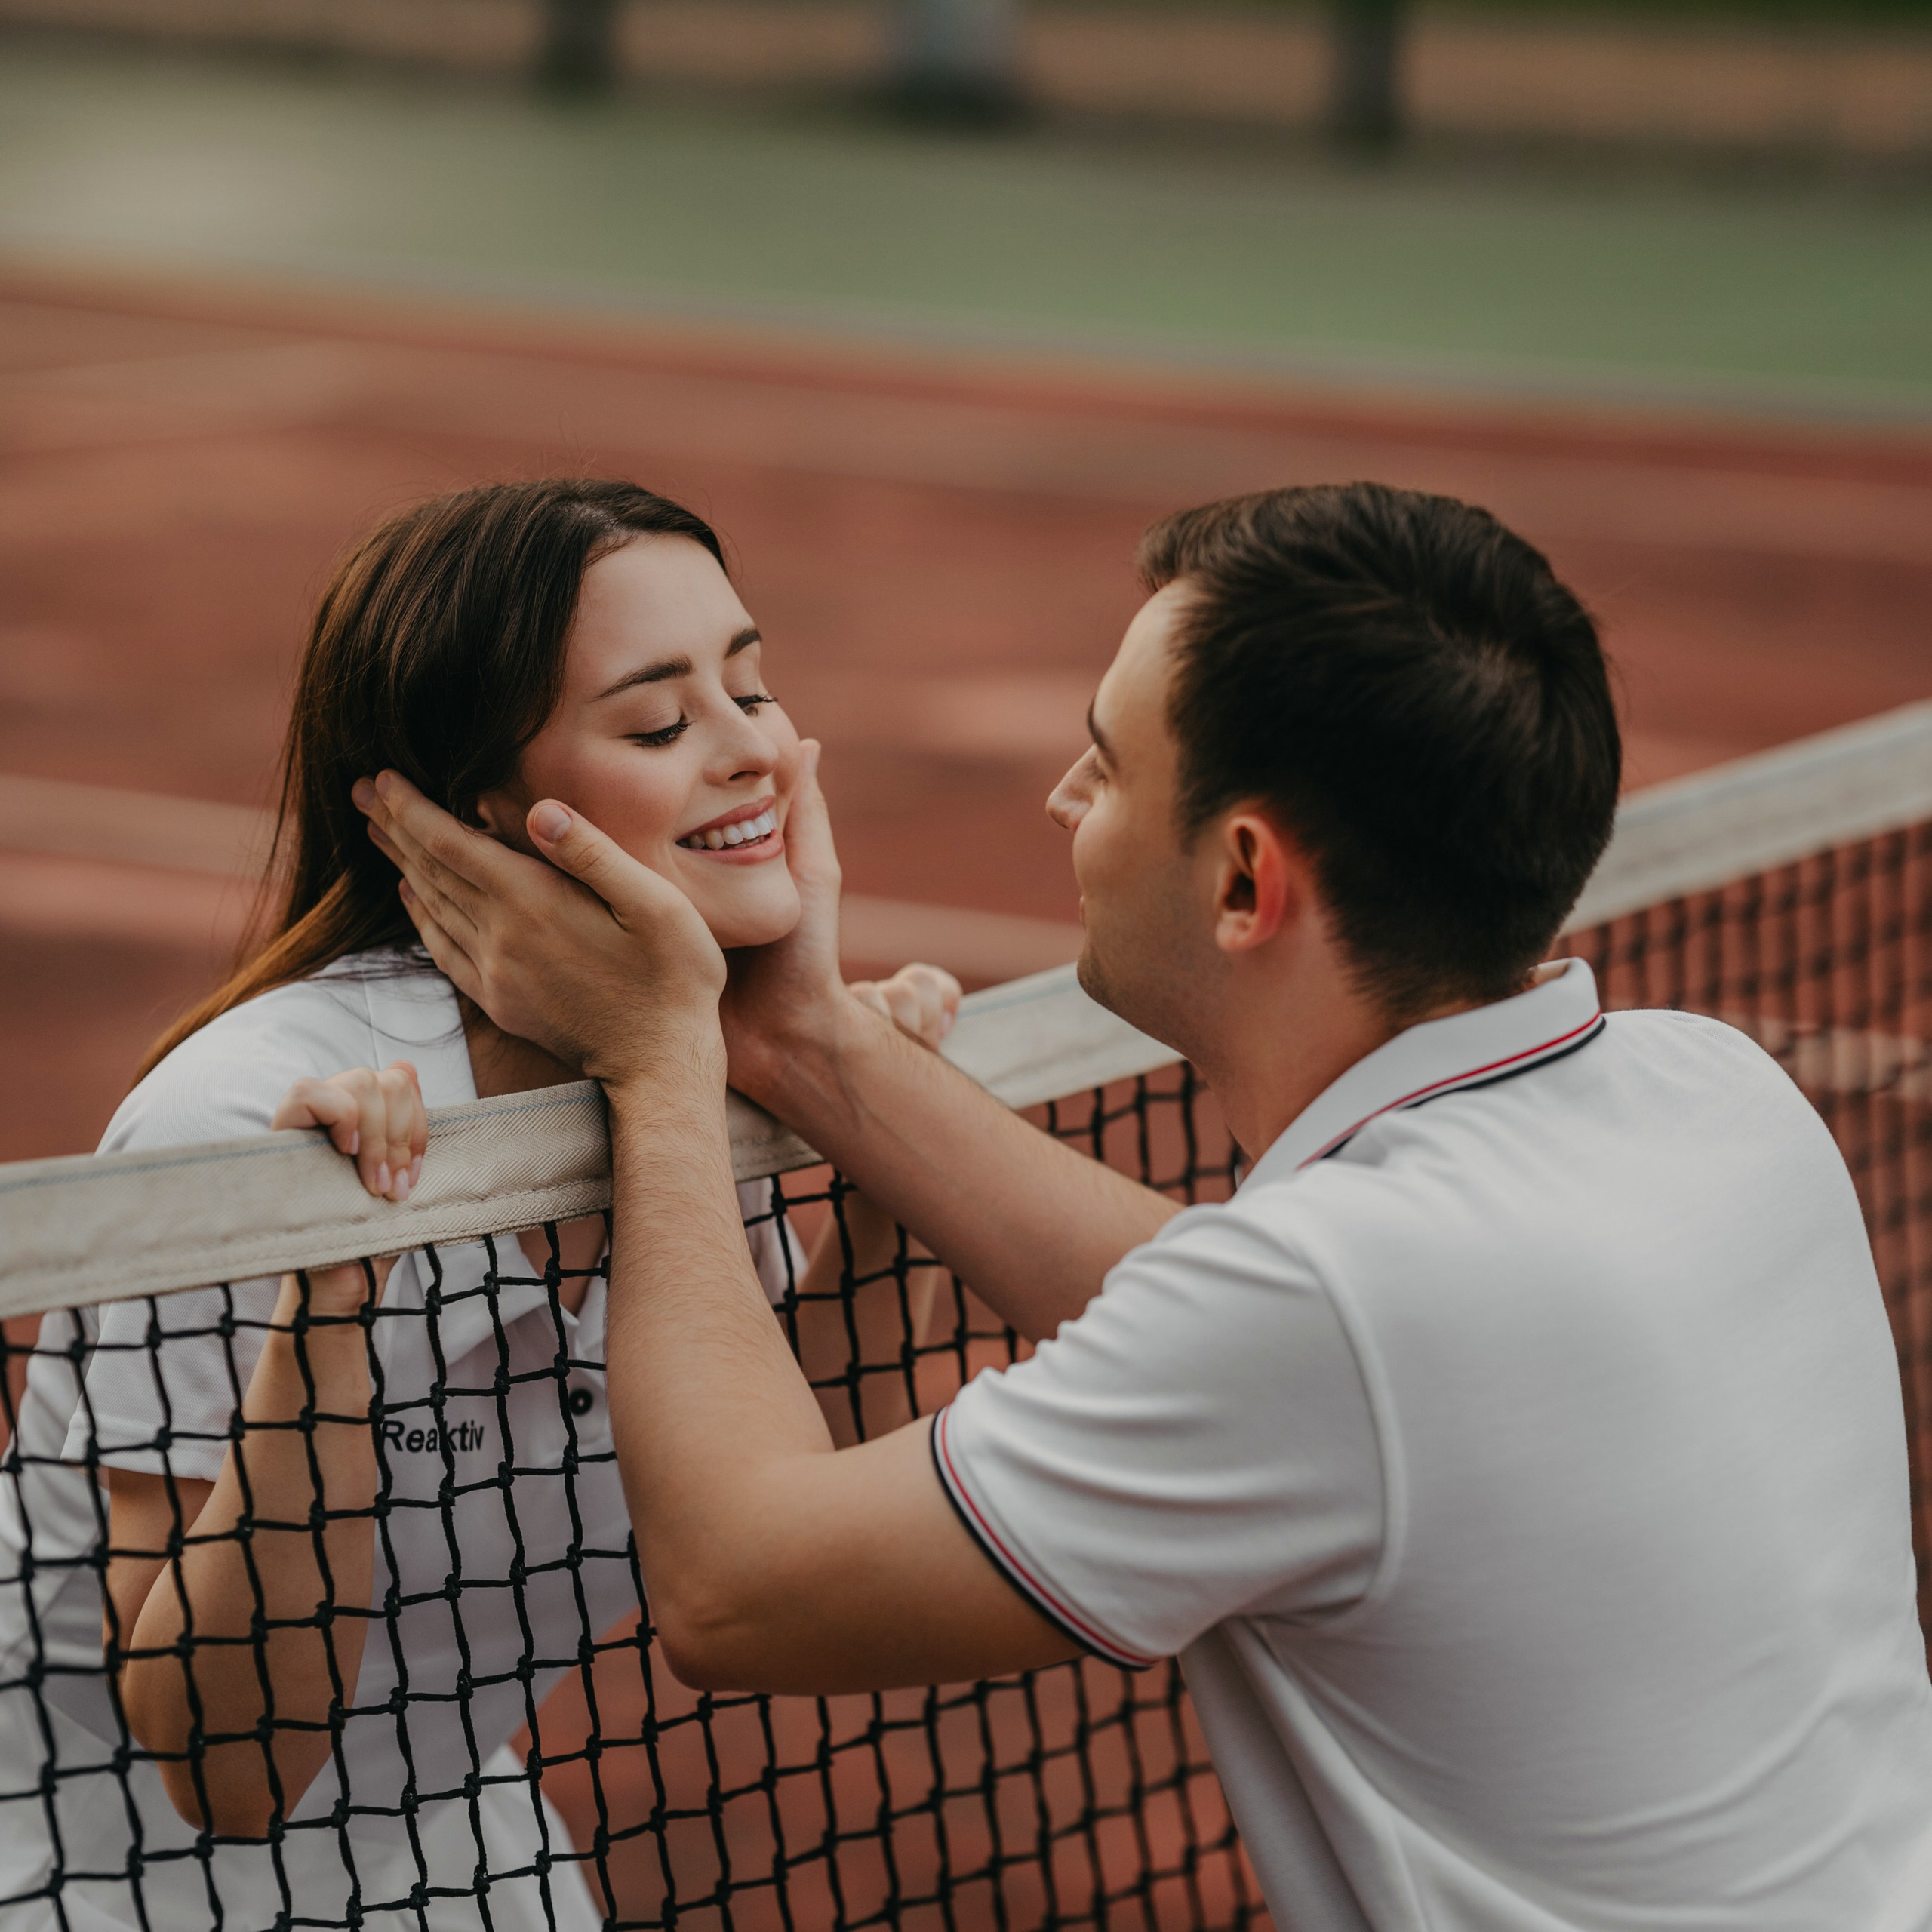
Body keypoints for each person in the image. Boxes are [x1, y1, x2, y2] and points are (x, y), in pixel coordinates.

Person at [359, 480, 1932, 1931]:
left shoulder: (1332, 1308)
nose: (1062, 794)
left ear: (1244, 878)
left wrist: (655, 1062)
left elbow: (738, 1584)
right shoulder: (1706, 1088)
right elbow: (1268, 1325)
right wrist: (799, 1035)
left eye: (1105, 762)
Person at [0, 479, 958, 1932]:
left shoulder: (676, 1060)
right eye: (659, 723)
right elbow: (233, 1768)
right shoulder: (236, 1124)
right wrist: (329, 1296)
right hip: (90, 1874)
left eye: (750, 686)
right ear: (482, 814)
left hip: (434, 1822)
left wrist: (880, 1140)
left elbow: (798, 1516)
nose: (754, 748)